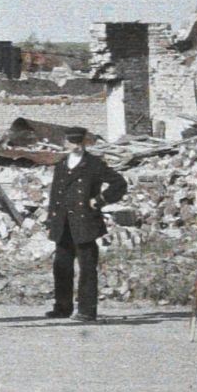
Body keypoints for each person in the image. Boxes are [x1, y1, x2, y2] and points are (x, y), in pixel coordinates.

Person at [42, 126, 127, 322]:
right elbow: (56, 194)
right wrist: (51, 218)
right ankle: (62, 307)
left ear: (84, 143)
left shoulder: (94, 164)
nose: (76, 146)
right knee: (61, 265)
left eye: (79, 142)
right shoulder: (61, 165)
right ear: (65, 143)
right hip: (63, 222)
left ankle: (87, 310)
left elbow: (119, 183)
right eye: (72, 142)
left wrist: (100, 200)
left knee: (87, 267)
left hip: (85, 221)